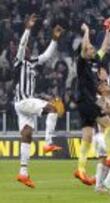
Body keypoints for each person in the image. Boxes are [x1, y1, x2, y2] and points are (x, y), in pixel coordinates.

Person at [14, 14, 64, 188]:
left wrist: (54, 40)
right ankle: (48, 142)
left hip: (21, 106)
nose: (28, 49)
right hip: (24, 100)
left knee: (27, 134)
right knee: (53, 109)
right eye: (26, 49)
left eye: (28, 49)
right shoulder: (19, 62)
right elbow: (21, 45)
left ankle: (23, 172)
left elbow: (46, 56)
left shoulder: (33, 62)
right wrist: (27, 29)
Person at [74, 19, 110, 186]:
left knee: (87, 135)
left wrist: (108, 30)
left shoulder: (95, 61)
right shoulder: (82, 62)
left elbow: (105, 47)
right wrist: (86, 31)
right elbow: (84, 46)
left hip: (84, 102)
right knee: (109, 125)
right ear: (85, 51)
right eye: (89, 49)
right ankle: (109, 156)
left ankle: (80, 169)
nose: (92, 50)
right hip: (86, 100)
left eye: (93, 49)